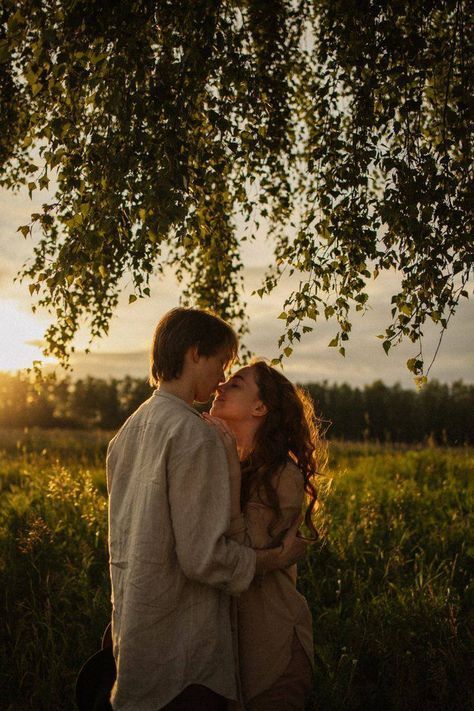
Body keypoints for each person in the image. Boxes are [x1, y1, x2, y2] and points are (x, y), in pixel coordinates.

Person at [106, 308, 311, 711]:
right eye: (222, 363)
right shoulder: (193, 435)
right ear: (195, 353)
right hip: (185, 655)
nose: (220, 380)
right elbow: (204, 558)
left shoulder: (127, 432)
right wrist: (275, 559)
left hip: (138, 639)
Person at [205, 359, 325, 711]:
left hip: (272, 650)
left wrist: (227, 461)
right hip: (226, 650)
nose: (220, 387)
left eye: (236, 383)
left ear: (260, 407)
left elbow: (241, 554)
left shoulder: (282, 476)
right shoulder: (228, 463)